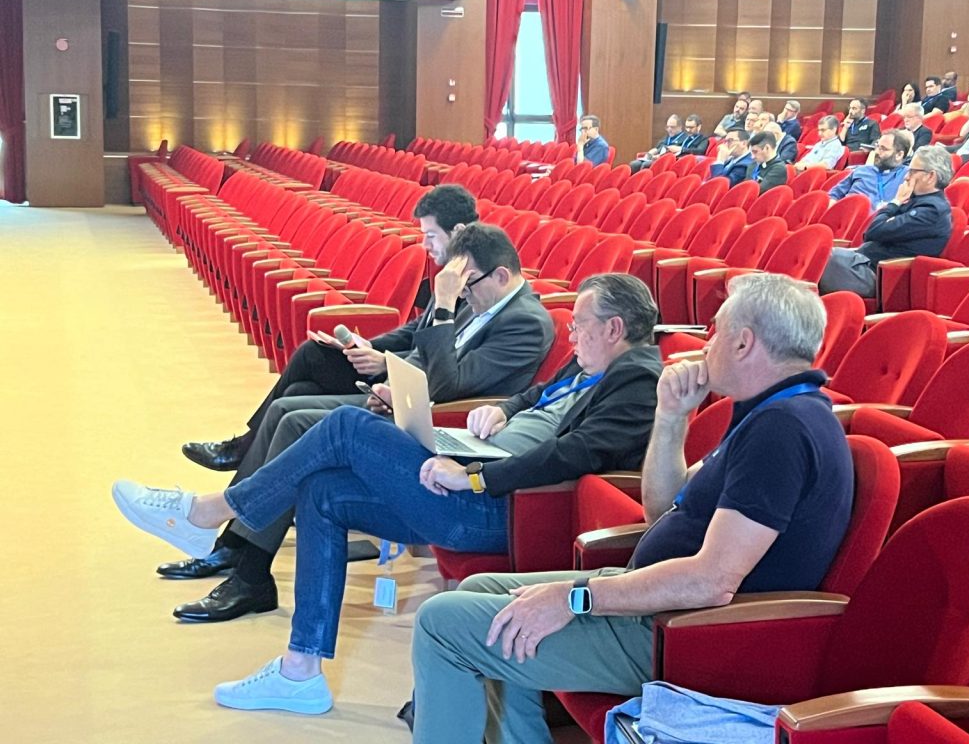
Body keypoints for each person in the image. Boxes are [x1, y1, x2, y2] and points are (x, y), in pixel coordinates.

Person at [112, 273, 665, 714]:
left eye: (581, 326)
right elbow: (538, 394)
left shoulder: (638, 379)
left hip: (502, 506)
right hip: (477, 469)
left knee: (345, 428)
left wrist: (474, 476)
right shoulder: (594, 362)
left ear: (614, 328)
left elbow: (576, 454)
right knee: (323, 491)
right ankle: (301, 671)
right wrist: (502, 410)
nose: (572, 335)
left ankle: (210, 513)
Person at [408, 272, 854, 744]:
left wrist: (575, 597)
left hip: (683, 631)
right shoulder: (767, 413)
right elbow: (661, 510)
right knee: (480, 589)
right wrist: (671, 416)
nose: (707, 344)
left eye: (717, 330)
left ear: (743, 343)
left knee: (441, 623)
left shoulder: (782, 432)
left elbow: (712, 580)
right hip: (655, 600)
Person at [156, 223, 556, 622]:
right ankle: (235, 546)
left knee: (295, 423)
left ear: (500, 276)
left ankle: (249, 571)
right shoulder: (480, 299)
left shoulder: (525, 322)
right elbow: (423, 355)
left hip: (447, 429)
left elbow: (451, 385)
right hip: (409, 405)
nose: (464, 294)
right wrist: (392, 382)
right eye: (460, 289)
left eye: (469, 286)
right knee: (291, 402)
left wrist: (446, 305)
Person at [181, 183, 480, 474]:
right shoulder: (451, 273)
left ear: (458, 232)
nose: (425, 245)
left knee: (304, 371)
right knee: (303, 381)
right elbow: (418, 328)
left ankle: (242, 456)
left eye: (431, 236)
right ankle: (253, 470)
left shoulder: (477, 284)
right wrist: (370, 346)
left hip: (406, 388)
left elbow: (444, 358)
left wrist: (386, 361)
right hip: (395, 369)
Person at [819, 145, 953, 297]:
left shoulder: (932, 210)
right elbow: (874, 230)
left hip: (878, 275)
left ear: (930, 176)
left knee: (819, 258)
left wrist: (895, 202)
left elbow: (874, 231)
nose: (906, 177)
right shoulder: (915, 200)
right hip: (861, 262)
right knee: (815, 250)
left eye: (912, 171)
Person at [829, 130, 911, 207]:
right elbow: (834, 195)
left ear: (899, 155)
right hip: (849, 213)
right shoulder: (861, 170)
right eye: (877, 147)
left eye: (883, 149)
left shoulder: (907, 176)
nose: (877, 152)